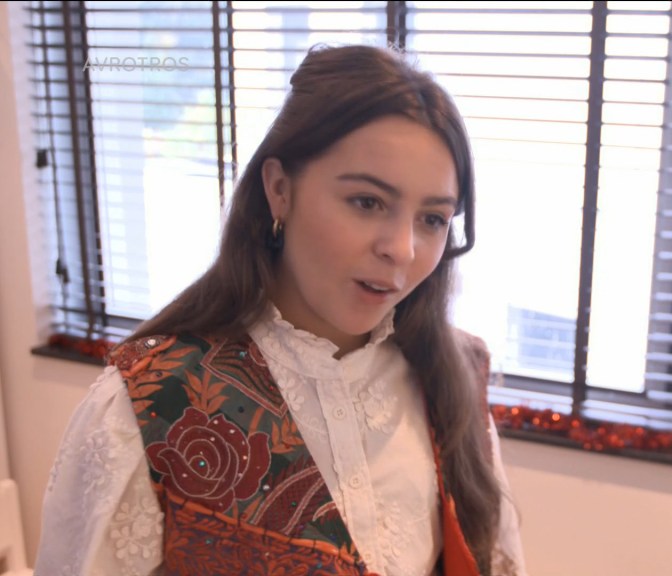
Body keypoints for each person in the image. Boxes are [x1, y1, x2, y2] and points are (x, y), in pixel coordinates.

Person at [35, 44, 528, 576]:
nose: (402, 249)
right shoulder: (150, 404)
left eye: (432, 219)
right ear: (279, 189)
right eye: (367, 202)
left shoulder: (454, 375)